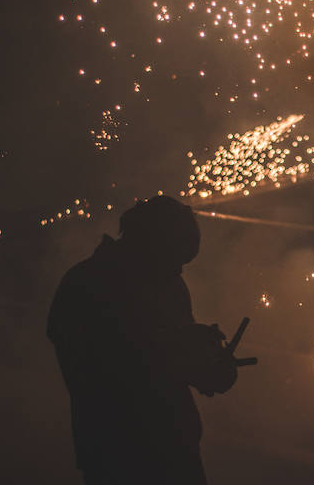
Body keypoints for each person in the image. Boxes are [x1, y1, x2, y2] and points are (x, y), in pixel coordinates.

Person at [47, 195, 236, 484]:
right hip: (118, 454)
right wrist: (178, 345)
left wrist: (211, 367)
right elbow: (98, 371)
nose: (179, 270)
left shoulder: (168, 282)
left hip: (176, 447)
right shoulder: (85, 285)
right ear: (149, 244)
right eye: (174, 259)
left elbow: (177, 359)